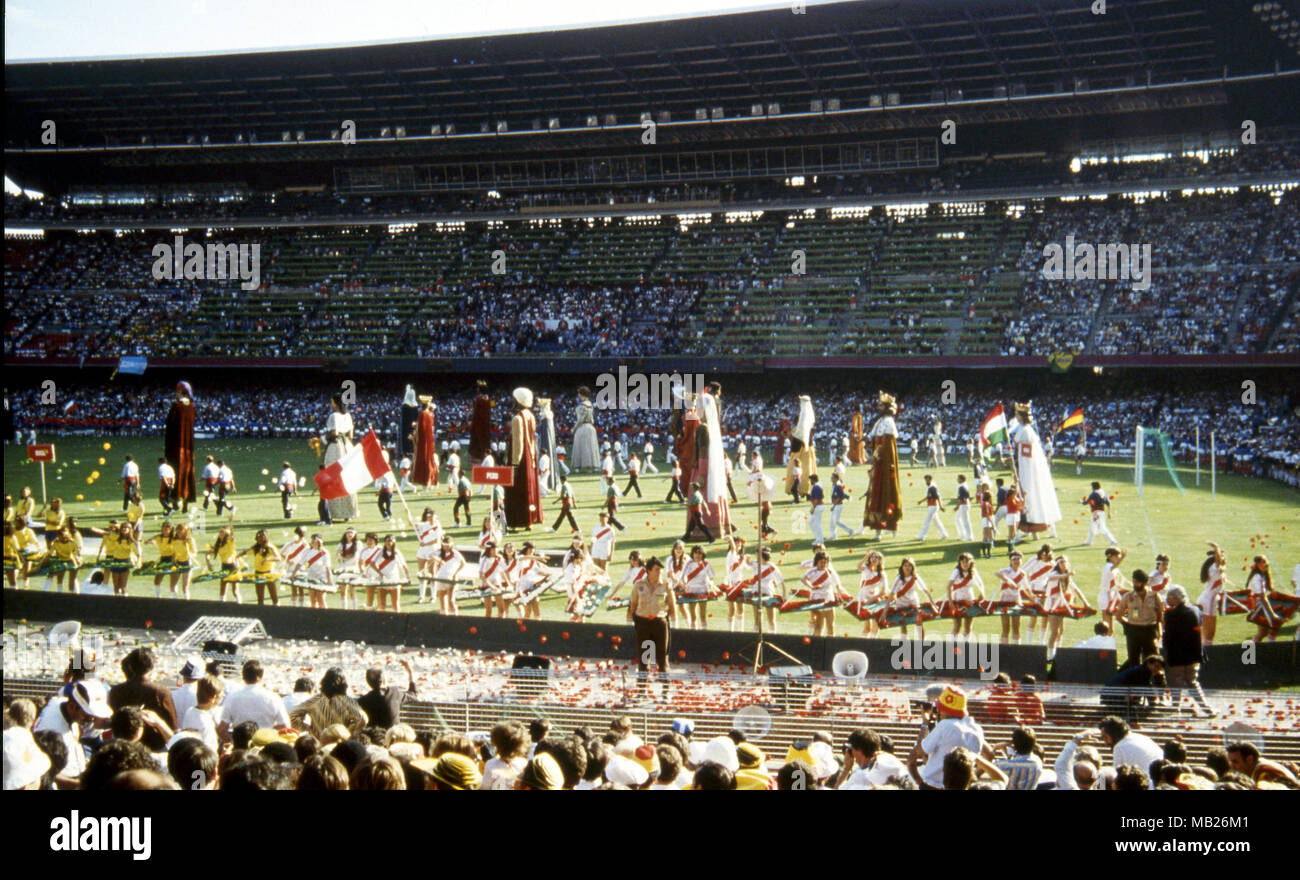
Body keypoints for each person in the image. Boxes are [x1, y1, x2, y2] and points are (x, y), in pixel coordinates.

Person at [908, 686, 989, 790]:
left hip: (934, 786)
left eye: (940, 709)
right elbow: (990, 755)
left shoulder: (945, 725)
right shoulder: (977, 729)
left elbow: (915, 755)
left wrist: (925, 724)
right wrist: (974, 777)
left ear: (945, 710)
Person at [1007, 401, 1062, 538]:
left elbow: (1024, 455)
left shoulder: (1025, 431)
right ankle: (1033, 532)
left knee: (1030, 497)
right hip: (1028, 468)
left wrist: (1017, 468)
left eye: (1018, 414)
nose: (1016, 417)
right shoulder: (1026, 430)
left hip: (1027, 470)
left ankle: (1036, 528)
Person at [107, 648, 179, 751]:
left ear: (130, 667)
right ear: (152, 667)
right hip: (155, 747)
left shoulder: (116, 691)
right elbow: (173, 726)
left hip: (123, 746)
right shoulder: (162, 692)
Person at [627, 557, 677, 698]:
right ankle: (642, 691)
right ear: (648, 571)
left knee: (662, 658)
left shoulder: (666, 586)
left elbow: (672, 607)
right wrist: (635, 621)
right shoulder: (639, 585)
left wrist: (672, 621)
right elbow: (633, 605)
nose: (659, 572)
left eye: (660, 570)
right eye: (656, 570)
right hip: (643, 624)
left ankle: (665, 692)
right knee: (644, 658)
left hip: (659, 624)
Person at [1163, 585, 1215, 717]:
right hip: (1194, 653)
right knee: (1192, 682)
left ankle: (1176, 708)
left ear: (1175, 599)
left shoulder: (1170, 614)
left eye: (1169, 598)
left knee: (1176, 682)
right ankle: (1206, 708)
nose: (1167, 600)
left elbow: (1168, 635)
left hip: (1177, 654)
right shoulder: (1196, 610)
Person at [862, 391, 902, 539]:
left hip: (884, 466)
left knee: (884, 494)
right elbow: (876, 442)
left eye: (880, 405)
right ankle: (878, 528)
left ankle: (887, 528)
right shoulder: (879, 422)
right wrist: (866, 441)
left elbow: (885, 446)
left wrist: (875, 456)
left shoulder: (888, 423)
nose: (878, 407)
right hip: (879, 465)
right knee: (876, 495)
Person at [505, 387, 543, 530]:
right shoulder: (531, 416)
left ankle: (515, 522)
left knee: (516, 490)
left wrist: (514, 464)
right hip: (531, 456)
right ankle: (529, 522)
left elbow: (518, 443)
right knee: (529, 488)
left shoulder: (517, 418)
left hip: (520, 458)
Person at [289, 668, 367, 736]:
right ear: (344, 684)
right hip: (340, 741)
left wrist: (309, 729)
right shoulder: (347, 701)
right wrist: (348, 732)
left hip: (319, 740)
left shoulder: (316, 700)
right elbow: (363, 719)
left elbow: (292, 714)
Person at [1097, 716, 1163, 787]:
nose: (1104, 741)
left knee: (1102, 774)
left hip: (1143, 785)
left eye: (1105, 737)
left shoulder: (1120, 747)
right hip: (1156, 784)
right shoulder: (1142, 738)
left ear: (1114, 734)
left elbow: (1116, 778)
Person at [1117, 569, 1163, 668]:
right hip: (1134, 631)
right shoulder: (1128, 596)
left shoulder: (1154, 596)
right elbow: (1118, 616)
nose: (1135, 584)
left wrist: (1158, 629)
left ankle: (1157, 681)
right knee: (1133, 660)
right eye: (1134, 582)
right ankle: (1135, 682)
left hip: (1149, 630)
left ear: (1145, 582)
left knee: (1153, 659)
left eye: (1137, 582)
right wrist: (1127, 625)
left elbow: (1160, 615)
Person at [322, 394, 357, 521]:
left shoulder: (333, 416)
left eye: (332, 402)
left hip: (336, 447)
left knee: (334, 476)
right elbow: (350, 435)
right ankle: (349, 512)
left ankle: (333, 512)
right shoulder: (348, 416)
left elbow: (334, 433)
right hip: (347, 446)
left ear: (336, 403)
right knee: (348, 478)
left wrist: (323, 439)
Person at [1100, 655, 1166, 722]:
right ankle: (1131, 722)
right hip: (1115, 694)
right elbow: (1147, 689)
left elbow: (1145, 689)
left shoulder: (1140, 669)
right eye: (1156, 666)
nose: (1157, 669)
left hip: (1109, 693)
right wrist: (1153, 705)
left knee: (1130, 706)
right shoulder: (1144, 672)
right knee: (1131, 708)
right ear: (1148, 663)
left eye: (1159, 668)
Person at [164, 381, 196, 513]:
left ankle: (175, 500)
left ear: (182, 392)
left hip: (176, 446)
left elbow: (169, 423)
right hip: (188, 448)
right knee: (188, 474)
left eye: (177, 391)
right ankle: (186, 502)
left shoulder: (176, 406)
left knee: (176, 472)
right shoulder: (192, 406)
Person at [357, 660, 417, 729]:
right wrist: (410, 671)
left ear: (368, 683)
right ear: (384, 680)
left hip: (374, 736)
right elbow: (413, 695)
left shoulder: (363, 701)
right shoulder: (394, 693)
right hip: (393, 736)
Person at [802, 550, 845, 637]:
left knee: (831, 626)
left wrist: (842, 595)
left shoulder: (830, 571)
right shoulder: (812, 571)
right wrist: (812, 587)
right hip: (816, 599)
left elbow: (838, 585)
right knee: (819, 626)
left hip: (829, 598)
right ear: (816, 562)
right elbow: (804, 579)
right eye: (821, 562)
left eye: (825, 562)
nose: (823, 565)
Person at [890, 556, 934, 640]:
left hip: (913, 602)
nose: (907, 567)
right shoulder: (898, 578)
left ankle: (921, 643)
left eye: (909, 565)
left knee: (919, 623)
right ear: (902, 567)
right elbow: (892, 593)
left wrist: (932, 603)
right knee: (903, 625)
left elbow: (925, 589)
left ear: (912, 567)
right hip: (901, 603)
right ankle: (905, 645)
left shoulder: (915, 577)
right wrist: (885, 610)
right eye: (905, 565)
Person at [994, 549, 1032, 644]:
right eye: (1014, 559)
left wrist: (1034, 599)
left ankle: (1016, 649)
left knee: (1016, 626)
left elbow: (1027, 589)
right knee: (1005, 627)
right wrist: (1008, 580)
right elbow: (997, 573)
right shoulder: (1005, 571)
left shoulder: (1022, 574)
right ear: (1010, 561)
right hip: (1004, 600)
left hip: (1016, 601)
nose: (1016, 561)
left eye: (1018, 559)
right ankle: (1004, 650)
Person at [237, 529, 283, 607]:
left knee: (274, 596)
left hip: (269, 573)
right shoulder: (256, 547)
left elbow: (278, 558)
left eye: (261, 537)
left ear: (265, 538)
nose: (259, 539)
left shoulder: (270, 547)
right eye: (258, 537)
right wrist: (237, 556)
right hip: (258, 573)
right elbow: (246, 551)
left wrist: (267, 559)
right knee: (260, 597)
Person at [1197, 542, 1229, 648]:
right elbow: (1220, 564)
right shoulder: (1215, 567)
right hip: (1210, 600)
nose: (1224, 558)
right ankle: (1208, 656)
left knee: (1204, 632)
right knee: (1210, 634)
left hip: (1206, 597)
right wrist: (1216, 547)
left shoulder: (1212, 567)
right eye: (1221, 555)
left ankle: (1202, 652)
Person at [946, 552, 985, 637]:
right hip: (957, 599)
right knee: (957, 625)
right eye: (963, 562)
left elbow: (980, 584)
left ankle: (965, 647)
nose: (965, 564)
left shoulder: (973, 571)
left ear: (971, 562)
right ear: (959, 562)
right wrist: (950, 601)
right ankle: (952, 647)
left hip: (969, 599)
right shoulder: (956, 571)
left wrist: (982, 593)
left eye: (967, 562)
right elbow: (949, 586)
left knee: (968, 626)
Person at [681, 545, 716, 630]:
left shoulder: (706, 563)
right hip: (691, 590)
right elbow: (684, 575)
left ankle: (704, 633)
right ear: (692, 554)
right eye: (695, 553)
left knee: (703, 615)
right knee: (693, 616)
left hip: (703, 590)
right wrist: (685, 584)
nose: (697, 555)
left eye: (699, 554)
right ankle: (694, 634)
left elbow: (711, 576)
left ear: (703, 554)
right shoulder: (688, 563)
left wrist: (710, 584)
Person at [372, 535, 409, 613]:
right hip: (382, 580)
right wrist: (379, 573)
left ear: (394, 542)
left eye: (391, 541)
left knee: (395, 604)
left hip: (394, 579)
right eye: (387, 541)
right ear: (385, 542)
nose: (389, 543)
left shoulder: (396, 552)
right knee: (381, 604)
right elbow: (372, 563)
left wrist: (407, 577)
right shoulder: (380, 552)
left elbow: (404, 565)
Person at [433, 536, 466, 616]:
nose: (446, 547)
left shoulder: (455, 553)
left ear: (451, 545)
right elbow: (431, 555)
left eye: (448, 545)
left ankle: (455, 617)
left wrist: (455, 573)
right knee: (442, 602)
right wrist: (439, 560)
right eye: (444, 545)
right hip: (440, 577)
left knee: (451, 600)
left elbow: (463, 563)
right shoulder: (439, 552)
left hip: (450, 578)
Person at [411, 395, 438, 490]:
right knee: (429, 460)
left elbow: (421, 429)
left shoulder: (422, 414)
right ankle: (431, 481)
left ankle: (425, 482)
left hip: (423, 441)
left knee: (423, 460)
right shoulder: (430, 414)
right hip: (430, 441)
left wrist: (414, 433)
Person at [570, 386, 600, 471]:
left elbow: (580, 420)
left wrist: (574, 428)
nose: (578, 395)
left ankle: (577, 467)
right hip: (590, 427)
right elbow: (592, 420)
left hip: (582, 427)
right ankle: (589, 468)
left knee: (579, 446)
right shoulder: (591, 405)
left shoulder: (582, 406)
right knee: (590, 447)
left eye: (579, 393)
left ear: (582, 394)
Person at [1082, 481, 1118, 545]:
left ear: (1093, 487)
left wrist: (1082, 502)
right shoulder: (1103, 492)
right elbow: (1108, 503)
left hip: (1096, 512)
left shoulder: (1094, 493)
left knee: (1102, 528)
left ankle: (1113, 541)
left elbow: (1087, 502)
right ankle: (1089, 542)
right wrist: (1109, 513)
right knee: (1092, 527)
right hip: (1101, 511)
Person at [915, 474, 949, 540]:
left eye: (927, 480)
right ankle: (944, 534)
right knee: (937, 521)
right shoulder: (931, 487)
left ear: (930, 479)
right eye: (925, 480)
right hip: (932, 505)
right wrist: (921, 501)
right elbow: (929, 496)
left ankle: (921, 536)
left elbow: (937, 497)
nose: (926, 481)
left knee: (927, 521)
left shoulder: (932, 487)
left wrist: (941, 506)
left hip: (933, 506)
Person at [469, 379, 493, 469]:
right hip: (485, 424)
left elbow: (476, 412)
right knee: (483, 439)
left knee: (477, 440)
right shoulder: (488, 399)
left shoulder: (479, 400)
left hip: (479, 423)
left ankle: (476, 459)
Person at [807, 473, 826, 544]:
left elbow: (817, 499)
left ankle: (820, 540)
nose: (810, 481)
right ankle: (818, 537)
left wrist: (813, 507)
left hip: (818, 506)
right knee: (810, 521)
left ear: (813, 479)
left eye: (811, 480)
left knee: (817, 523)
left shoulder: (817, 486)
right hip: (817, 505)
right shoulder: (817, 485)